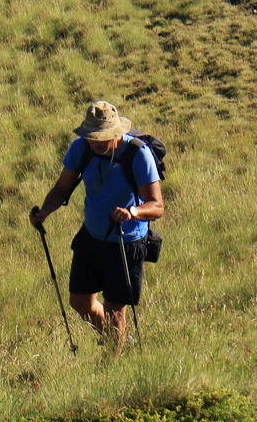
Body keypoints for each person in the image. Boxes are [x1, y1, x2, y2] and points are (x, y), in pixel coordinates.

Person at [28, 101, 164, 347]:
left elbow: (157, 206)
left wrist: (132, 212)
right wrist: (45, 211)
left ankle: (114, 358)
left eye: (100, 138)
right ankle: (116, 342)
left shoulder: (138, 154)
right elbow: (61, 188)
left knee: (115, 312)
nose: (94, 142)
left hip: (126, 242)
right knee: (80, 302)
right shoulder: (81, 148)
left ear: (115, 134)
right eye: (91, 137)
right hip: (91, 238)